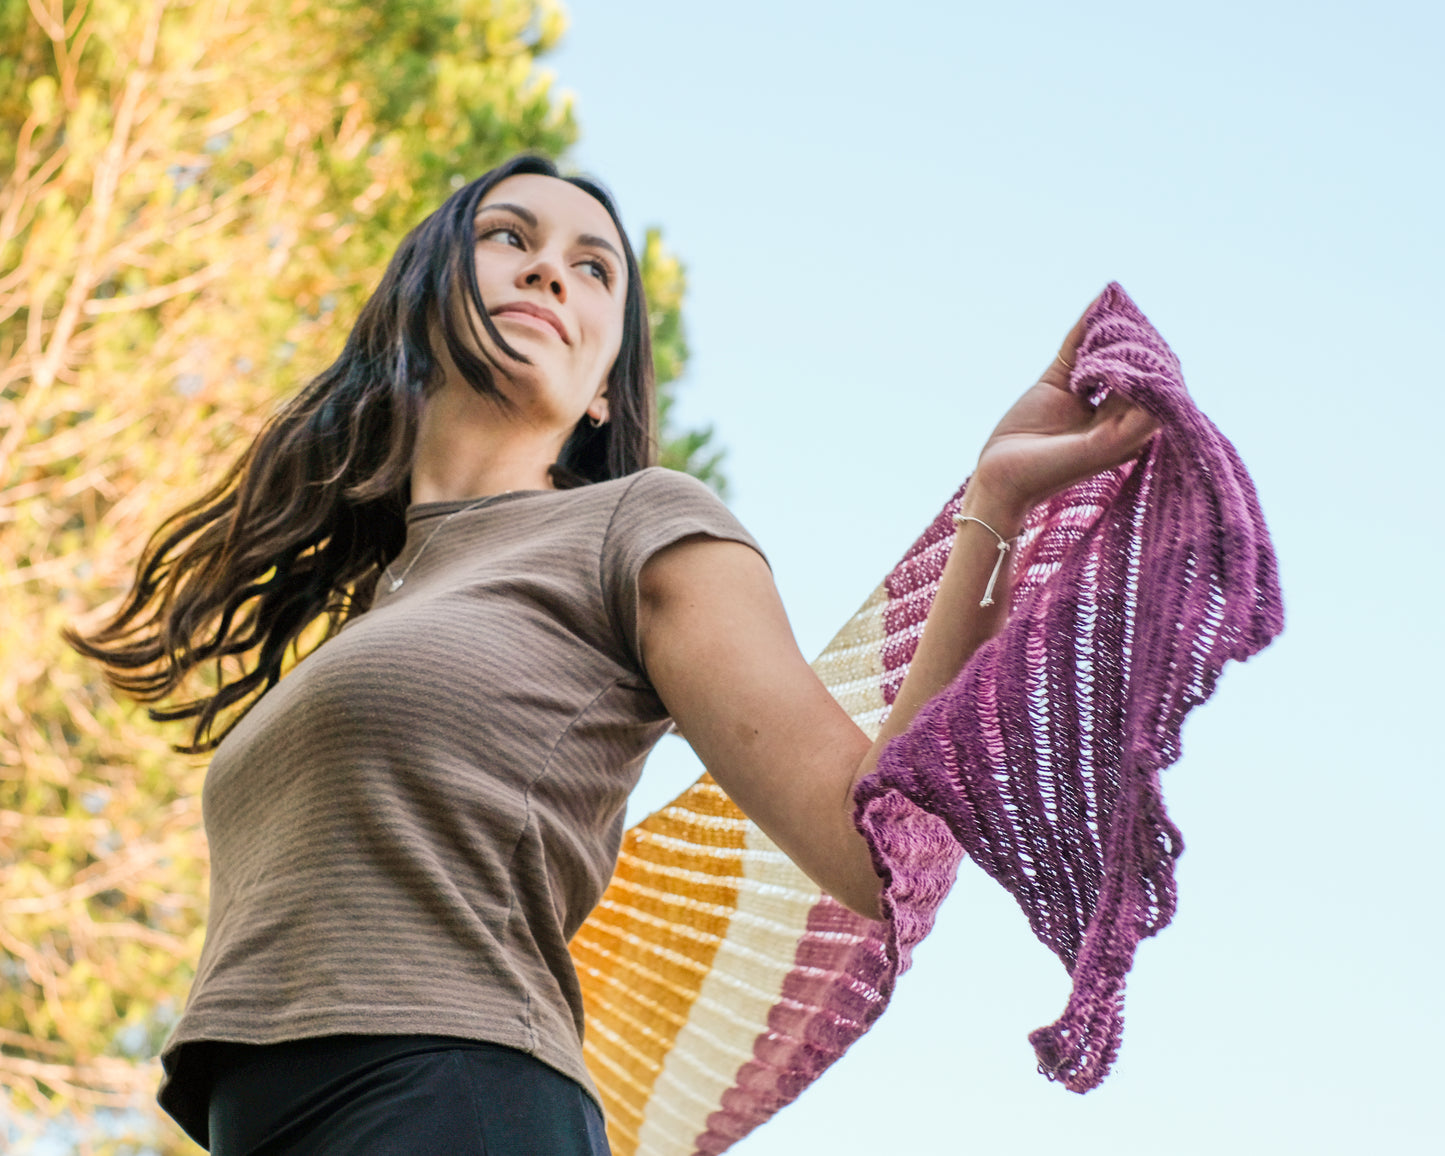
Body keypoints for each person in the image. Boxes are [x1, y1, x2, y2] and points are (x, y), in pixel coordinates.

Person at [65, 153, 1157, 1154]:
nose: (548, 269)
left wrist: (995, 505)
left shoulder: (637, 525)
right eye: (509, 237)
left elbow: (867, 842)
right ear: (419, 301)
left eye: (592, 268)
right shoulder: (377, 605)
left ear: (601, 388)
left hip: (450, 1101)